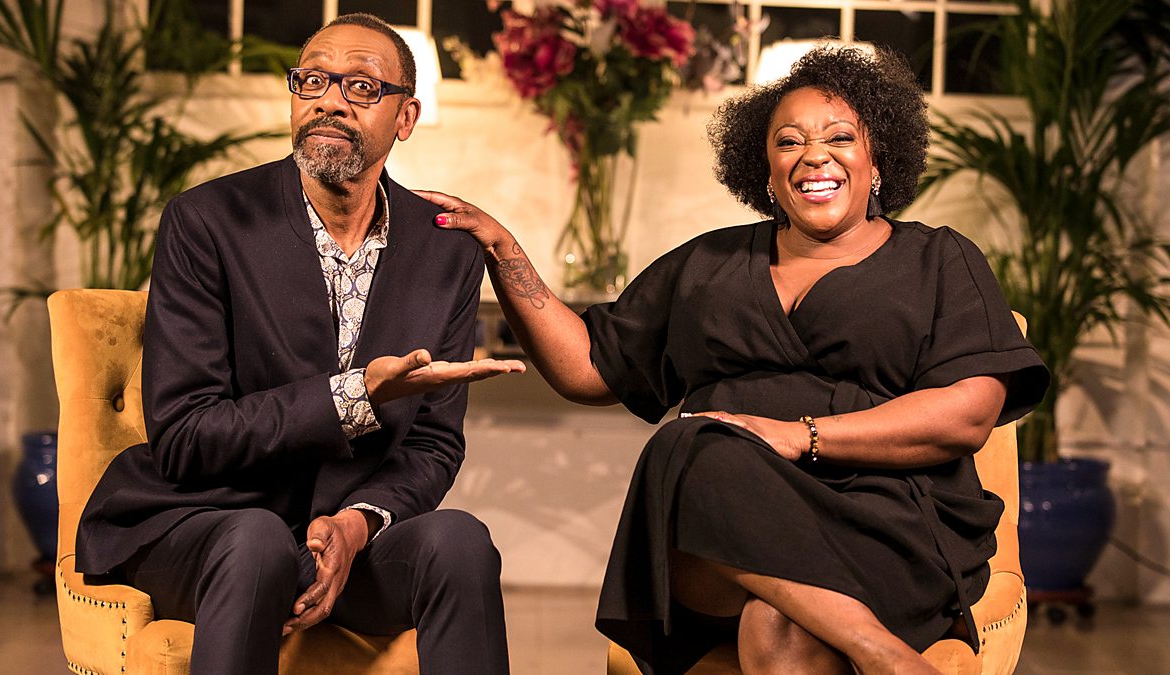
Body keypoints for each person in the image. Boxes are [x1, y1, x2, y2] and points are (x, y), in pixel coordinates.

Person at [419, 45, 1048, 674]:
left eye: (840, 137)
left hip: (886, 521)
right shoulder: (708, 263)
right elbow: (588, 368)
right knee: (693, 446)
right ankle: (881, 653)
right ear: (766, 171)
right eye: (789, 142)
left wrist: (799, 437)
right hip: (720, 519)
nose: (814, 155)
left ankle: (862, 640)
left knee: (775, 623)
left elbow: (968, 413)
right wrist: (502, 251)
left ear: (877, 160)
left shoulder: (939, 260)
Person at [75, 13, 522, 675]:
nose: (329, 100)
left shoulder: (445, 251)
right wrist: (354, 395)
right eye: (312, 80)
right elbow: (186, 435)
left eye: (362, 86)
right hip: (204, 522)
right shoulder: (207, 221)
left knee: (459, 540)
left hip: (340, 540)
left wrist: (357, 523)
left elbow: (433, 443)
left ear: (406, 117)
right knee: (257, 541)